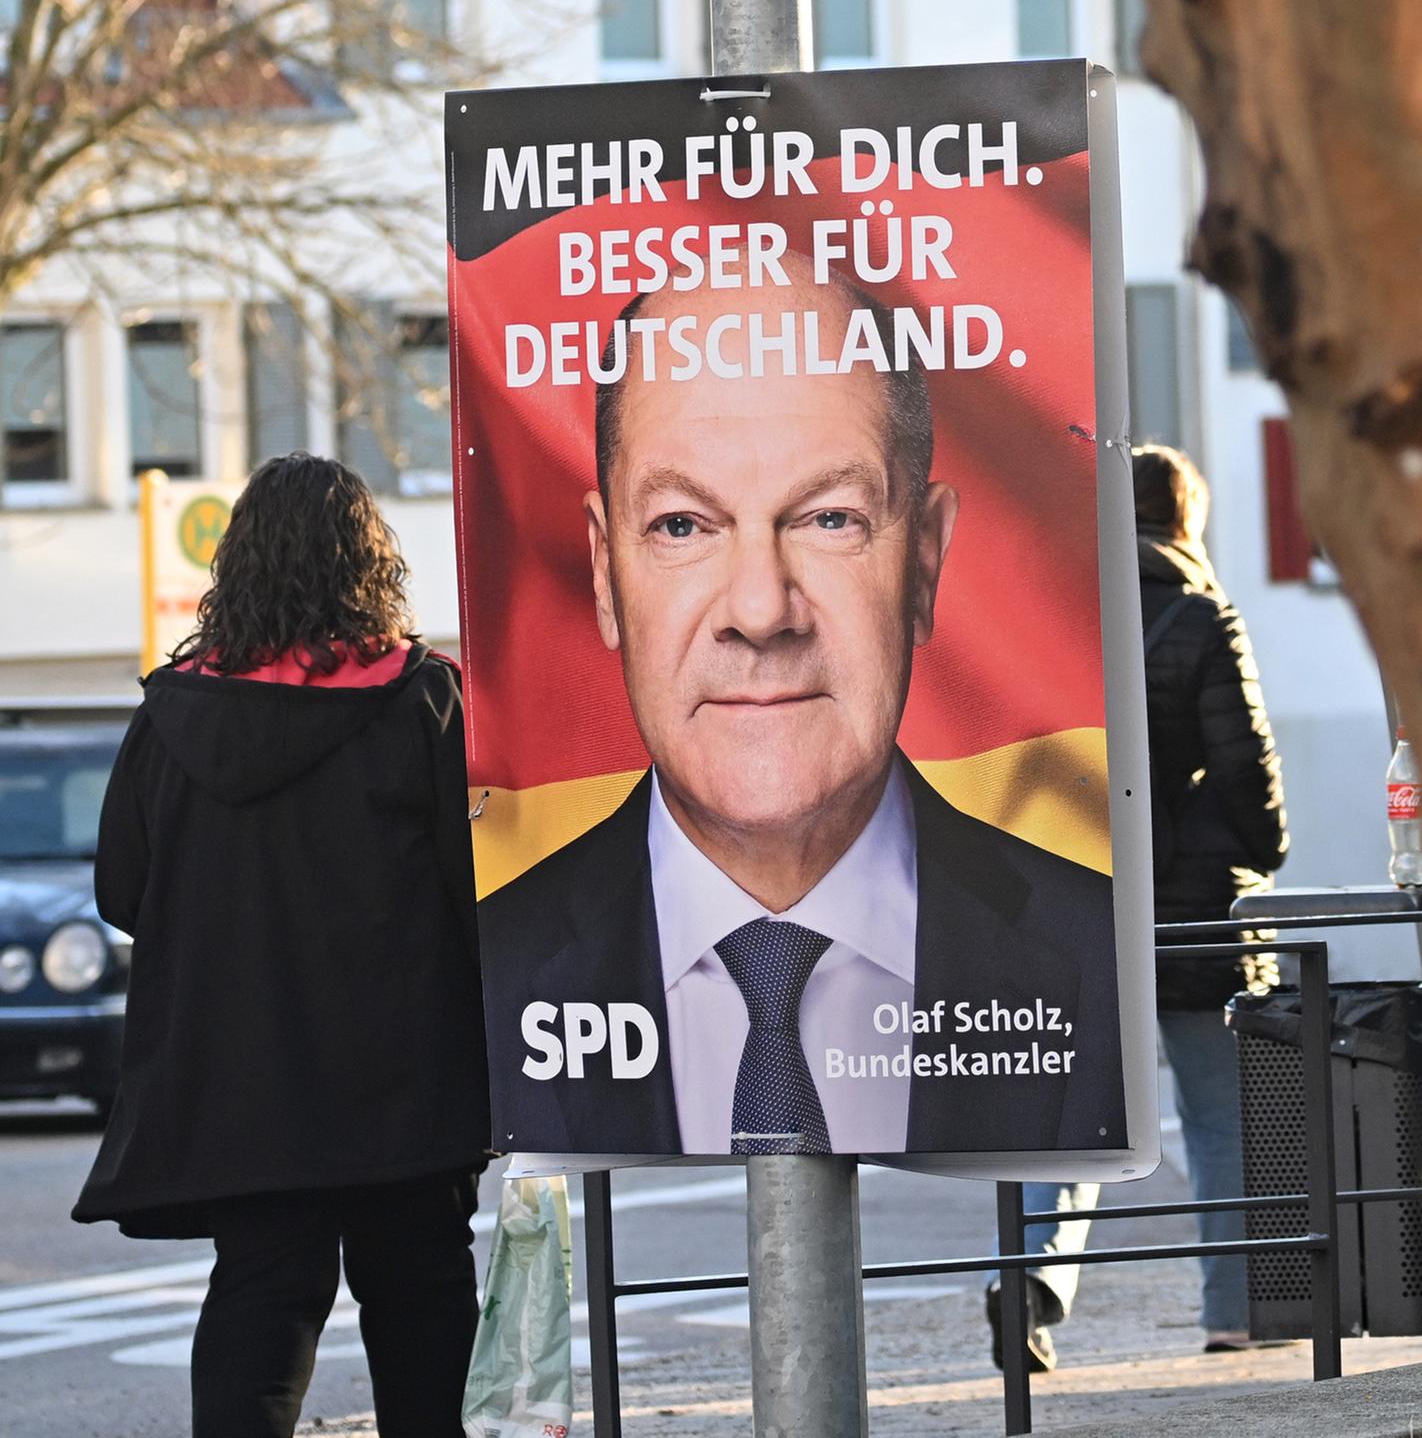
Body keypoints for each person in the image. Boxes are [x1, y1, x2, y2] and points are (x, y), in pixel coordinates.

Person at [481, 275, 1122, 1156]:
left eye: (829, 518)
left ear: (924, 561)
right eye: (681, 526)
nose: (758, 608)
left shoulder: (1097, 958)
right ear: (604, 573)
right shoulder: (486, 968)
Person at [74, 456, 488, 1438]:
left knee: (262, 1295)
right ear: (371, 566)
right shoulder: (423, 703)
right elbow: (477, 892)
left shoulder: (171, 718)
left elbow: (121, 891)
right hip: (405, 1079)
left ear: (241, 565)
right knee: (422, 1296)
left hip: (243, 1078)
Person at [1001, 444, 1290, 1368]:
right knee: (1218, 1117)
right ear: (1186, 519)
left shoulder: (1062, 621)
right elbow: (1246, 763)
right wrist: (1257, 847)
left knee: (1075, 1112)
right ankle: (1235, 1317)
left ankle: (1034, 1286)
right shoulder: (1202, 616)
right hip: (1197, 911)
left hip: (1078, 903)